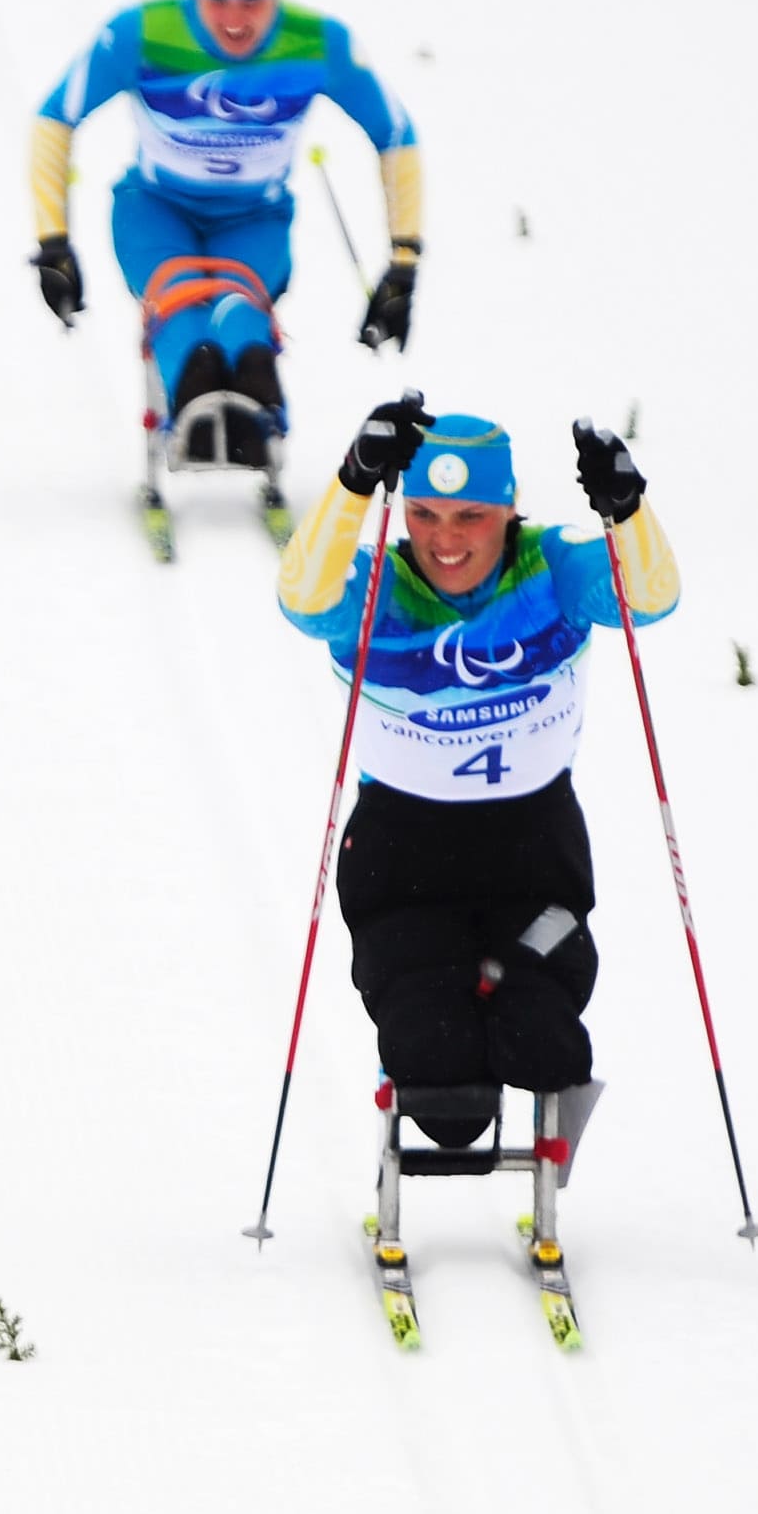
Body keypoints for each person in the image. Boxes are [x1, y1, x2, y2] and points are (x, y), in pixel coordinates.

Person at [273, 399, 679, 1149]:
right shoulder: (379, 591)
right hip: (403, 859)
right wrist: (355, 482)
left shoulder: (550, 568)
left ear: (509, 507)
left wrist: (628, 509)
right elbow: (303, 596)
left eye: (472, 516)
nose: (445, 540)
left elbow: (650, 598)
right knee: (442, 1086)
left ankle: (551, 1164)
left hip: (535, 856)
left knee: (547, 1040)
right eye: (424, 515)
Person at [27, 0, 421, 477]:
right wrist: (52, 242)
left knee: (242, 310)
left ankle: (257, 409)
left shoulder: (319, 43)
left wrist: (404, 263)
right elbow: (53, 119)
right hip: (155, 209)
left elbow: (397, 135)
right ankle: (195, 405)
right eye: (217, 2)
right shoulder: (140, 32)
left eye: (253, 2)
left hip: (255, 216)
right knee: (180, 305)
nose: (235, 20)